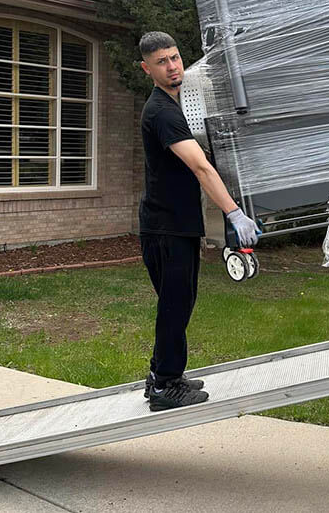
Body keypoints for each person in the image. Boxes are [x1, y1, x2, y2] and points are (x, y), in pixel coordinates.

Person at [138, 31, 259, 411]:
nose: (172, 67)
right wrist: (234, 213)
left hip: (176, 222)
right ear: (147, 69)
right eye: (161, 62)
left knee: (180, 302)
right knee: (175, 305)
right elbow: (201, 167)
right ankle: (166, 385)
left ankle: (161, 374)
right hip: (166, 226)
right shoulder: (161, 111)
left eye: (175, 58)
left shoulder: (173, 106)